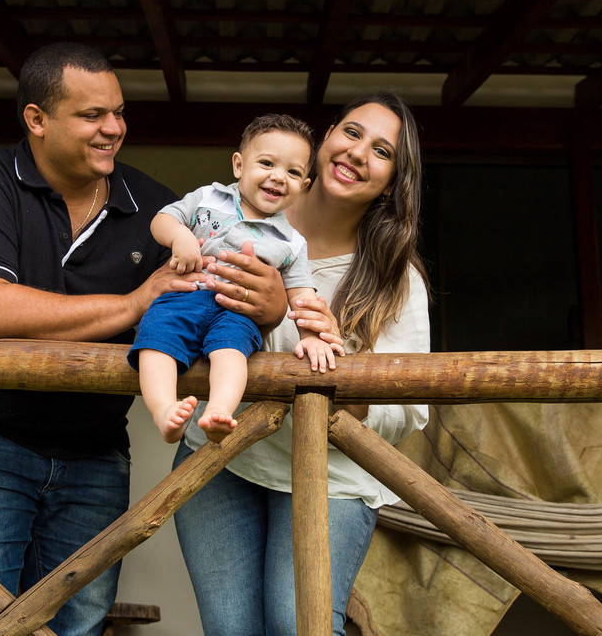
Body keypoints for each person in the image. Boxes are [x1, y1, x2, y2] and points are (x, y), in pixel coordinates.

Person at [0, 42, 288, 636]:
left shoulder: (158, 208)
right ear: (36, 119)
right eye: (92, 116)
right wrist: (134, 303)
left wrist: (272, 307)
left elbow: (205, 310)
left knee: (77, 625)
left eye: (118, 112)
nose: (114, 128)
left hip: (94, 450)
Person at [173, 91, 432, 636]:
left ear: (392, 182)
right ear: (325, 139)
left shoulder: (395, 277)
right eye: (353, 133)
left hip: (331, 479)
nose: (360, 153)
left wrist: (298, 336)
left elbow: (410, 410)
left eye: (383, 151)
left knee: (301, 628)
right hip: (223, 454)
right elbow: (182, 316)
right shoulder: (231, 218)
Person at [129, 114, 342, 444]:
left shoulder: (292, 242)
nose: (278, 177)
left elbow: (302, 296)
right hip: (185, 295)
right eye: (267, 163)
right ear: (239, 165)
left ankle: (219, 411)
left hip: (238, 313)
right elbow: (162, 220)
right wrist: (179, 237)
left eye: (293, 172)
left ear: (304, 187)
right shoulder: (207, 198)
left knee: (232, 353)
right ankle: (163, 410)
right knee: (156, 338)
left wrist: (311, 336)